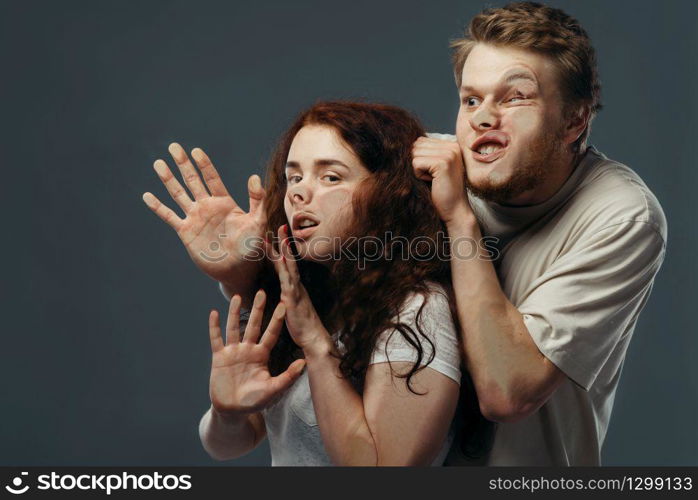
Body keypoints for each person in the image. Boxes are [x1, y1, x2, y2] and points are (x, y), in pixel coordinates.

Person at [411, 2, 667, 465]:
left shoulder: (622, 214)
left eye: (515, 98)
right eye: (471, 99)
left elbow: (507, 392)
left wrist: (460, 222)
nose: (483, 119)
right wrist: (245, 268)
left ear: (574, 121)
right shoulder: (424, 172)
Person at [143, 101, 468, 465]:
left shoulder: (418, 309)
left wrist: (315, 343)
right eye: (294, 177)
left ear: (391, 192)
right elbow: (228, 443)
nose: (298, 194)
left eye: (330, 177)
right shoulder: (306, 291)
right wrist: (228, 412)